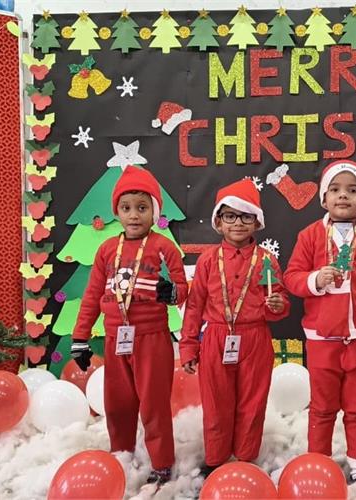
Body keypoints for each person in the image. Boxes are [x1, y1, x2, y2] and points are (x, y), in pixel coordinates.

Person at [284, 160, 356, 484]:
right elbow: (291, 277)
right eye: (335, 190)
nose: (343, 196)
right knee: (322, 408)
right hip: (322, 340)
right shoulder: (309, 236)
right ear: (324, 199)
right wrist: (314, 280)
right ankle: (318, 464)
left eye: (352, 190)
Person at [71, 165, 188, 486]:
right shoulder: (107, 249)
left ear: (154, 211)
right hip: (115, 338)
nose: (134, 215)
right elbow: (92, 295)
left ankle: (162, 463)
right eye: (126, 208)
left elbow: (182, 287)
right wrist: (80, 337)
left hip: (152, 339)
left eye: (142, 208)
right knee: (118, 402)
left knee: (154, 404)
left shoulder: (164, 247)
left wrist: (172, 292)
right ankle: (121, 455)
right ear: (117, 212)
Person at [179, 178, 289, 478]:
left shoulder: (267, 260)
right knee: (216, 402)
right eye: (230, 216)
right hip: (216, 337)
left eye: (246, 216)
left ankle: (245, 458)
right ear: (218, 222)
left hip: (255, 338)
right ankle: (216, 459)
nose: (238, 223)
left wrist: (277, 305)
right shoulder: (207, 261)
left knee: (253, 402)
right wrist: (188, 346)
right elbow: (194, 306)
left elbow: (279, 304)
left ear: (257, 222)